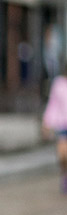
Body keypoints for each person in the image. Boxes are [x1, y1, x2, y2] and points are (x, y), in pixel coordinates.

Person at [42, 62, 67, 193]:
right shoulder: (58, 84)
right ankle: (64, 175)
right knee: (63, 155)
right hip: (63, 124)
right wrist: (47, 122)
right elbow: (53, 104)